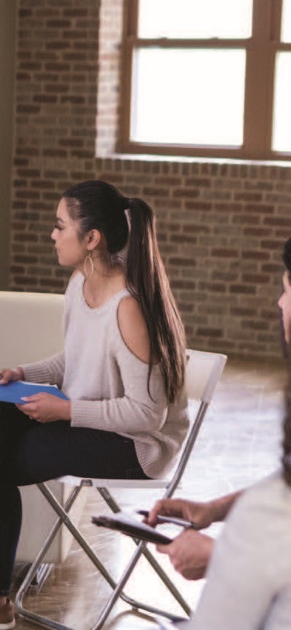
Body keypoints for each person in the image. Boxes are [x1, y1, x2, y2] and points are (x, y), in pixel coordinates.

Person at [0, 180, 188, 629]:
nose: (52, 234)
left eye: (60, 225)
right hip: (94, 422)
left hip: (136, 445)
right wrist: (24, 374)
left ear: (91, 239)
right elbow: (76, 358)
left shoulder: (128, 307)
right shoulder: (81, 282)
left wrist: (64, 411)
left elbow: (148, 414)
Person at [140, 236, 291, 629]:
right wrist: (215, 510)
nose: (279, 303)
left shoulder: (262, 522)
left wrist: (222, 555)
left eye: (287, 289)